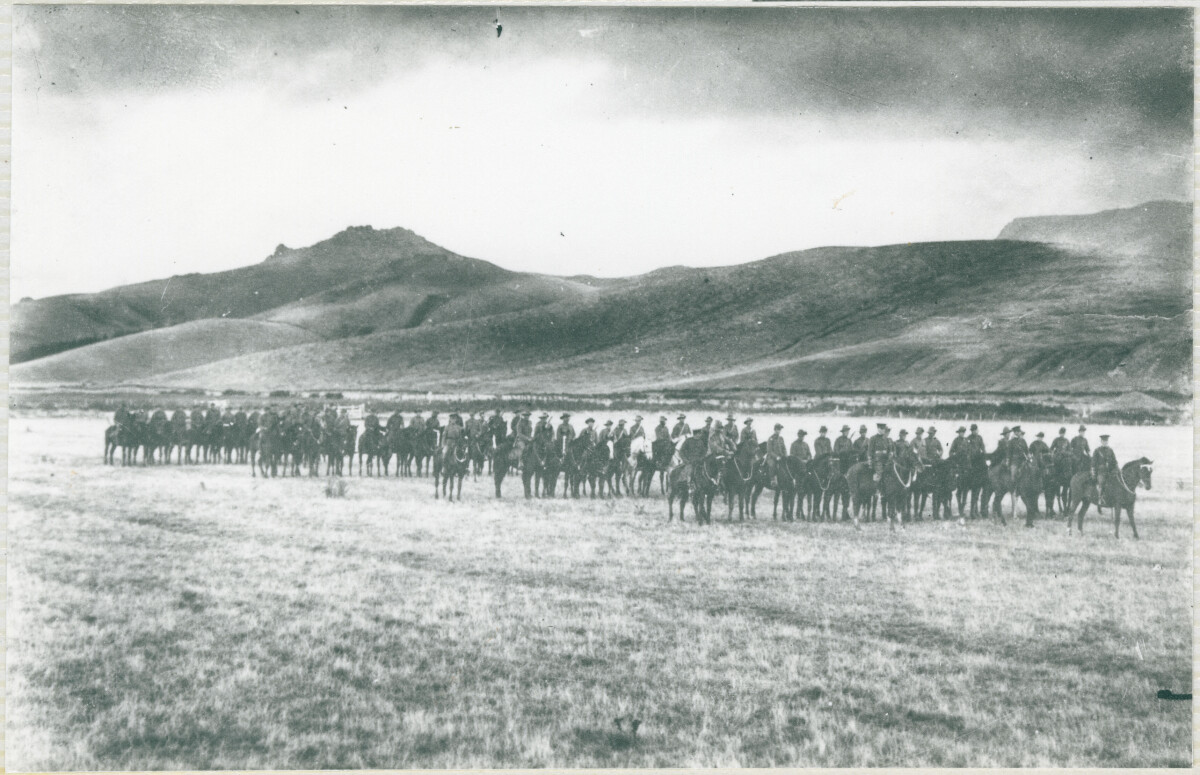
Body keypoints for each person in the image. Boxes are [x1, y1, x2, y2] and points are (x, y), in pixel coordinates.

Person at [1092, 434, 1117, 504]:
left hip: (1110, 471)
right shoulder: (1097, 450)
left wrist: (1116, 466)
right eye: (1103, 441)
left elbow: (1114, 460)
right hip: (1101, 471)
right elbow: (1093, 462)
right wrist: (1095, 471)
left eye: (1106, 441)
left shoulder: (1110, 450)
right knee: (1101, 482)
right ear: (1101, 441)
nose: (1105, 442)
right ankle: (1100, 498)